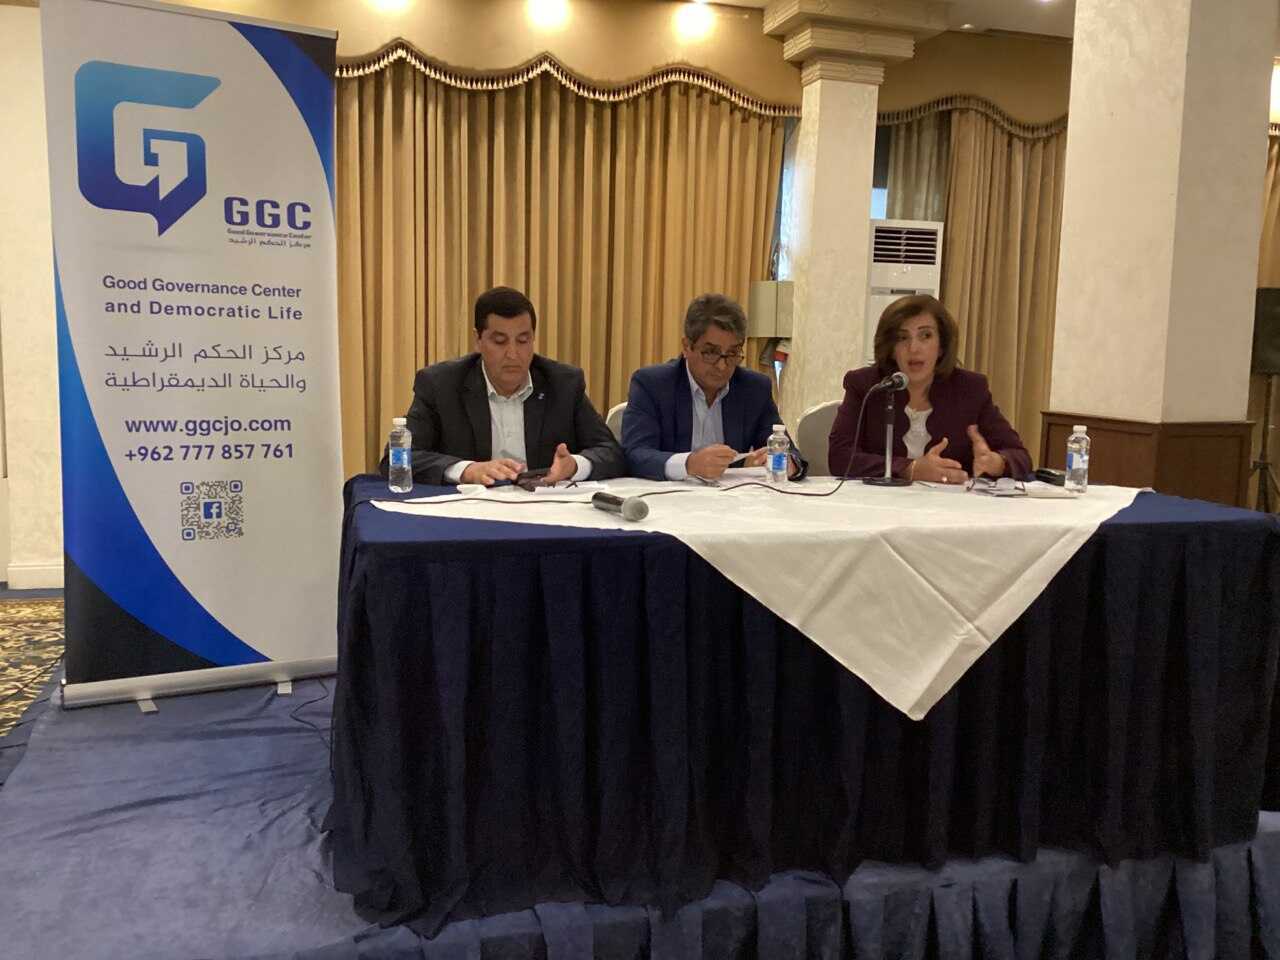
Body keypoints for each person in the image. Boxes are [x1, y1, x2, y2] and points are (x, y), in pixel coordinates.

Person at [379, 286, 626, 486]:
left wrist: (574, 466)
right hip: (471, 514)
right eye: (500, 341)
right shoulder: (440, 384)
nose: (513, 354)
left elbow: (611, 452)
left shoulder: (563, 383)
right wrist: (467, 470)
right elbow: (397, 457)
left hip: (545, 510)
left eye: (523, 340)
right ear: (478, 339)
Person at [827, 294, 1031, 484]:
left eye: (925, 336)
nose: (914, 348)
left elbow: (1019, 455)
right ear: (891, 349)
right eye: (902, 338)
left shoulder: (970, 389)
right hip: (878, 504)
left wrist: (996, 462)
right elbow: (840, 457)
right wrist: (910, 469)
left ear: (941, 346)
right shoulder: (866, 386)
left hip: (948, 507)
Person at [622, 293, 806, 481]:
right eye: (710, 352)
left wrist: (788, 464)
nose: (722, 366)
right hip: (668, 495)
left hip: (732, 496)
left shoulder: (754, 388)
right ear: (687, 347)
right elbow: (635, 454)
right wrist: (689, 464)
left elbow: (789, 452)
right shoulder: (653, 385)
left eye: (732, 353)